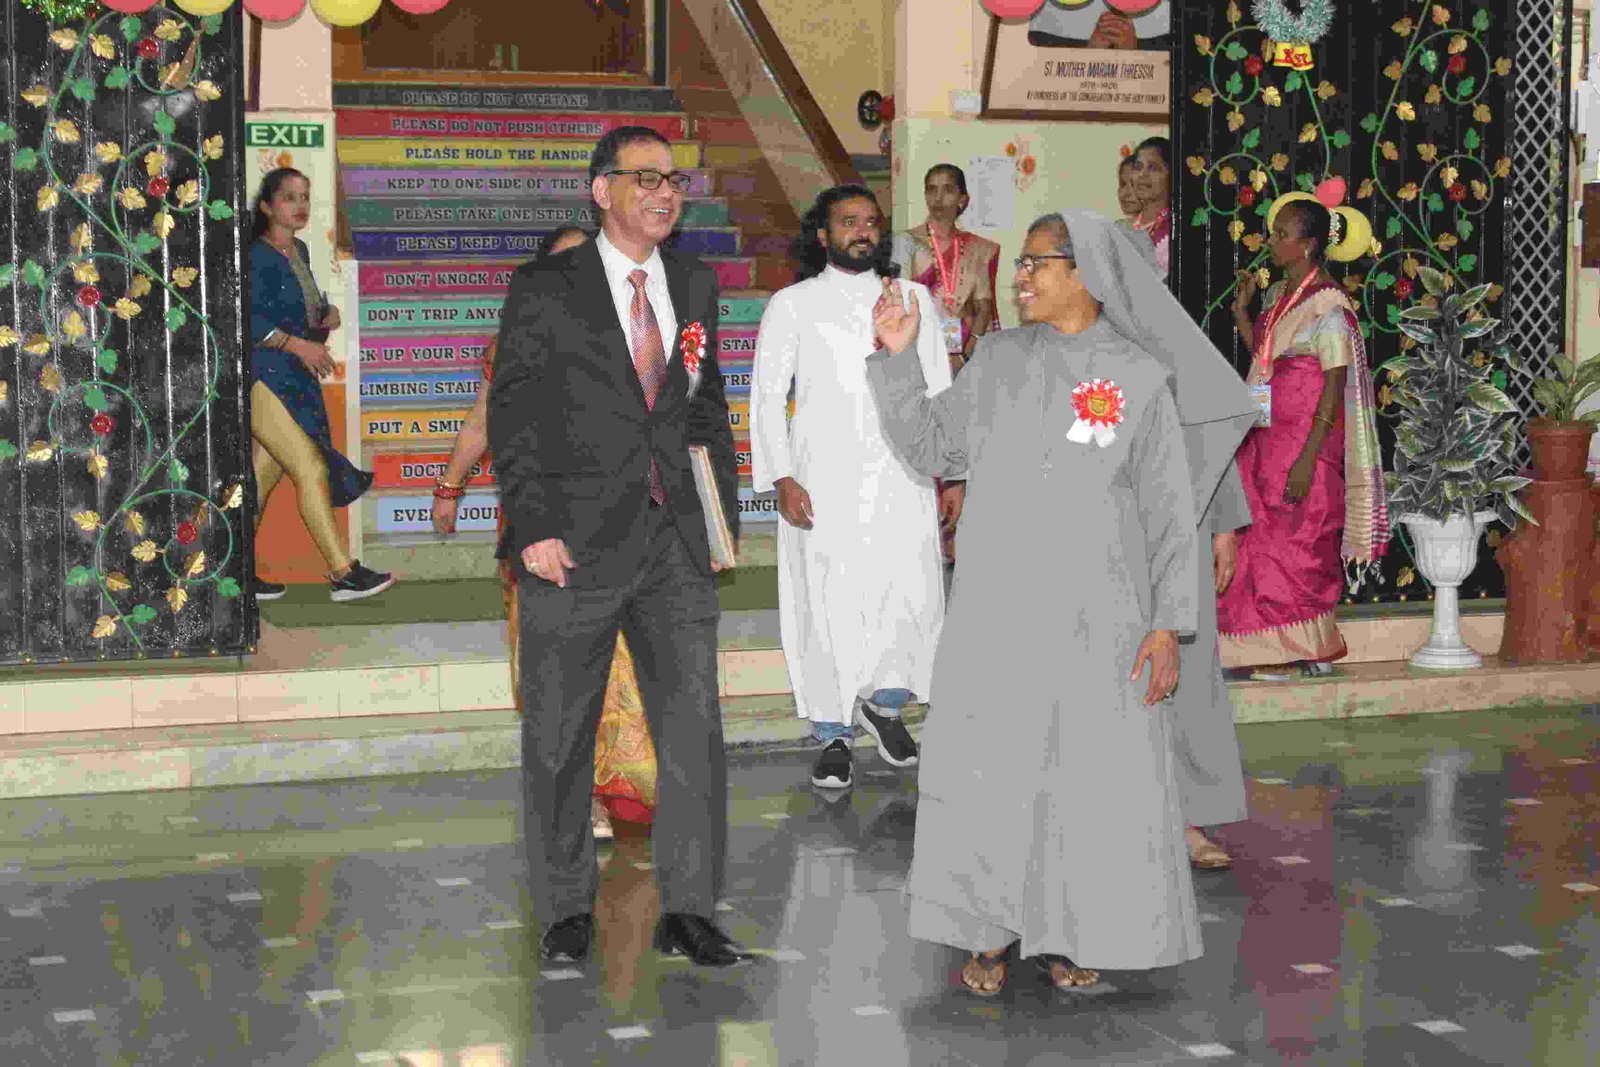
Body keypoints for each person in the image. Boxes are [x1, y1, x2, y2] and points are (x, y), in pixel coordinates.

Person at [864, 210, 1255, 996]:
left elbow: (1169, 515)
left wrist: (1168, 626)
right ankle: (988, 934)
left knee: (1081, 784)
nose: (1020, 278)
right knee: (989, 775)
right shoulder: (999, 359)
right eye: (1022, 264)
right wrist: (900, 360)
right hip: (995, 617)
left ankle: (1066, 933)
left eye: (1035, 263)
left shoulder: (1139, 376)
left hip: (1099, 622)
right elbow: (934, 447)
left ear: (1084, 273)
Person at [487, 126, 745, 968]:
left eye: (674, 180)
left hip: (674, 543)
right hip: (572, 542)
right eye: (646, 179)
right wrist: (532, 525)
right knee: (560, 734)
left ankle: (691, 909)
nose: (665, 193)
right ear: (602, 191)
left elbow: (705, 408)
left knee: (694, 731)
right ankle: (567, 907)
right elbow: (515, 411)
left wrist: (717, 518)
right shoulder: (545, 286)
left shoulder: (695, 283)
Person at [430, 226, 655, 842]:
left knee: (624, 667)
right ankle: (581, 796)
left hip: (619, 528)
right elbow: (484, 418)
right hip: (541, 530)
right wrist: (449, 485)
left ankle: (627, 783)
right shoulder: (516, 339)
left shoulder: (639, 331)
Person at [751, 185, 953, 792]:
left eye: (870, 221)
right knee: (827, 603)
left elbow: (940, 389)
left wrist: (952, 475)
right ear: (823, 234)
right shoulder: (792, 304)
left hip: (905, 473)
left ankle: (885, 708)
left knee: (906, 595)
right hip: (822, 478)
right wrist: (782, 476)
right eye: (848, 221)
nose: (862, 231)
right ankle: (833, 733)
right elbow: (766, 397)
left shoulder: (913, 298)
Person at [1221, 194, 1389, 678]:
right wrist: (1242, 311)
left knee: (1298, 542)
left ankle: (1300, 648)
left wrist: (1307, 459)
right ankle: (1266, 648)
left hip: (1303, 445)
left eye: (1282, 234)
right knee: (1259, 543)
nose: (1271, 242)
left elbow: (1334, 386)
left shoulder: (1329, 306)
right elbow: (1265, 358)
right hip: (1268, 438)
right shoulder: (1280, 296)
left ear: (1309, 245)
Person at [248, 168, 393, 603]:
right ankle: (342, 572)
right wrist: (297, 345)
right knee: (310, 468)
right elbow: (248, 319)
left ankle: (225, 571)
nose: (300, 205)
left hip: (293, 378)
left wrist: (326, 316)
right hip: (263, 377)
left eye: (305, 197)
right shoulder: (254, 254)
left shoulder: (300, 250)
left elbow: (301, 314)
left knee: (259, 479)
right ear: (266, 206)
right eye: (289, 197)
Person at [894, 164, 1001, 376]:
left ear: (963, 198)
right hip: (918, 350)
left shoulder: (975, 248)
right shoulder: (906, 242)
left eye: (948, 190)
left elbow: (983, 304)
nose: (938, 198)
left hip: (965, 353)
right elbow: (899, 301)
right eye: (931, 189)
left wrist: (969, 349)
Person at [1127, 136, 1172, 278]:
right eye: (1137, 167)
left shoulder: (1175, 231)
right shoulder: (1124, 228)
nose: (1142, 175)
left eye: (1153, 168)